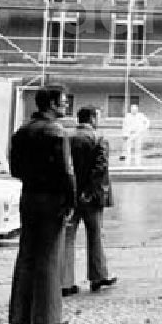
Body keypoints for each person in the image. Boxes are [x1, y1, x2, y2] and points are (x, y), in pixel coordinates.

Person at [8, 85, 76, 324]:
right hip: (52, 198)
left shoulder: (22, 131)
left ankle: (18, 315)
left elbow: (15, 169)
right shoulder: (56, 132)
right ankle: (46, 316)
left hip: (29, 195)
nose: (66, 105)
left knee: (26, 254)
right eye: (64, 101)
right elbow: (67, 171)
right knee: (49, 255)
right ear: (52, 104)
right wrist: (70, 200)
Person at [61, 107, 116, 297]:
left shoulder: (67, 137)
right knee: (95, 235)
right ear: (92, 118)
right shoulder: (98, 138)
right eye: (98, 116)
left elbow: (64, 167)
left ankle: (65, 282)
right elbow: (100, 167)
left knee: (67, 237)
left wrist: (73, 191)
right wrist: (89, 191)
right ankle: (98, 276)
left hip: (70, 196)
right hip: (92, 198)